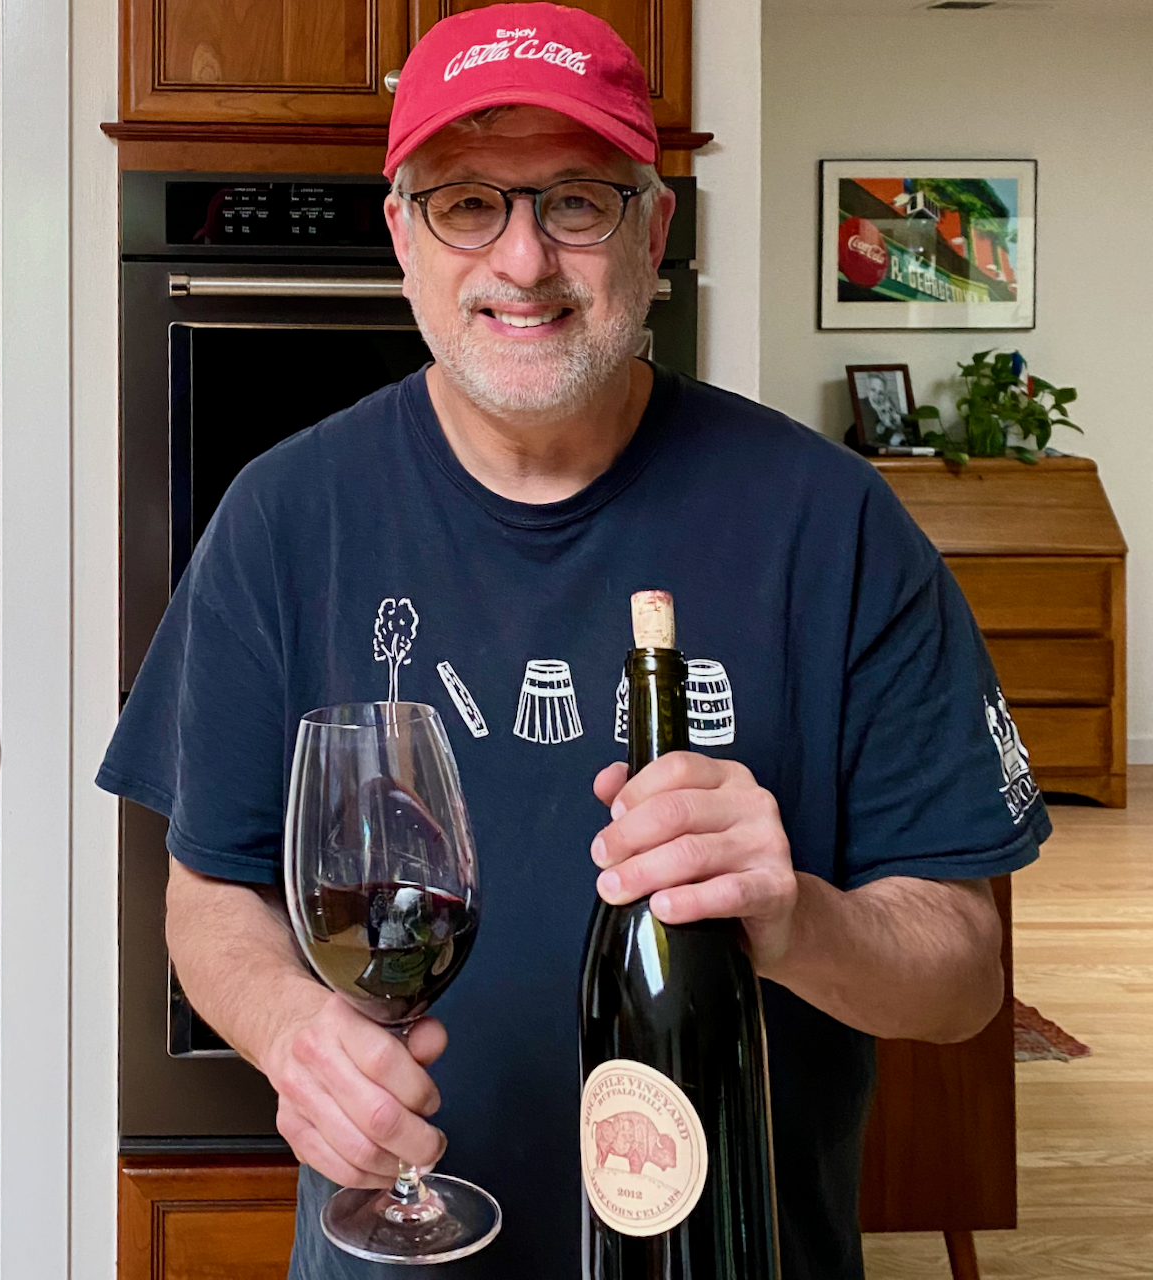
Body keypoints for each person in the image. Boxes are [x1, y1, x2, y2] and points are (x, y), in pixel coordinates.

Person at [96, 5, 1050, 1278]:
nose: (523, 260)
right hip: (389, 1259)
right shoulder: (284, 517)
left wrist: (795, 917)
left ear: (653, 230)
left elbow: (962, 975)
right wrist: (287, 1029)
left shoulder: (832, 527)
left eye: (576, 202)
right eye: (464, 203)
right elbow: (208, 887)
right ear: (402, 236)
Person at [861, 370, 915, 446]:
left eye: (881, 393)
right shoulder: (860, 406)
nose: (876, 396)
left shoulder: (889, 408)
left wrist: (899, 425)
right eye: (873, 390)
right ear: (867, 390)